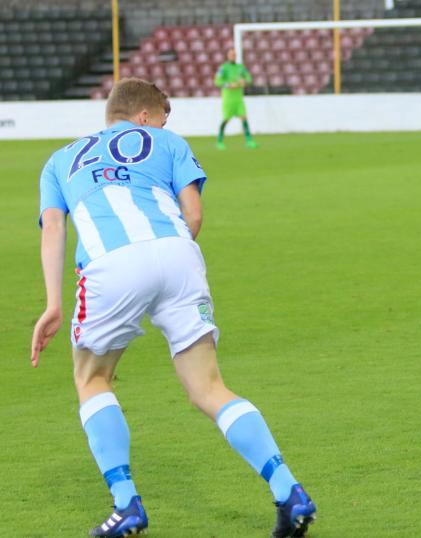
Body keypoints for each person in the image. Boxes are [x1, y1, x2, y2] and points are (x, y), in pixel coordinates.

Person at [31, 78, 316, 537]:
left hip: (111, 264)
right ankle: (289, 491)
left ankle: (127, 505)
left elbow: (52, 228)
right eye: (164, 114)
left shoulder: (60, 159)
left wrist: (52, 303)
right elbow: (195, 214)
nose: (166, 123)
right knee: (209, 387)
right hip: (179, 253)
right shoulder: (167, 142)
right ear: (143, 115)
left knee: (92, 378)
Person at [215, 48, 257, 149]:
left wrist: (245, 81)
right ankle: (219, 141)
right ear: (228, 56)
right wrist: (229, 85)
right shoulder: (224, 68)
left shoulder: (240, 67)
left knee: (244, 118)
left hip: (239, 99)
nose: (233, 56)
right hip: (228, 99)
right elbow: (217, 81)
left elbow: (249, 78)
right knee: (226, 119)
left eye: (234, 54)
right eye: (231, 54)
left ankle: (249, 141)